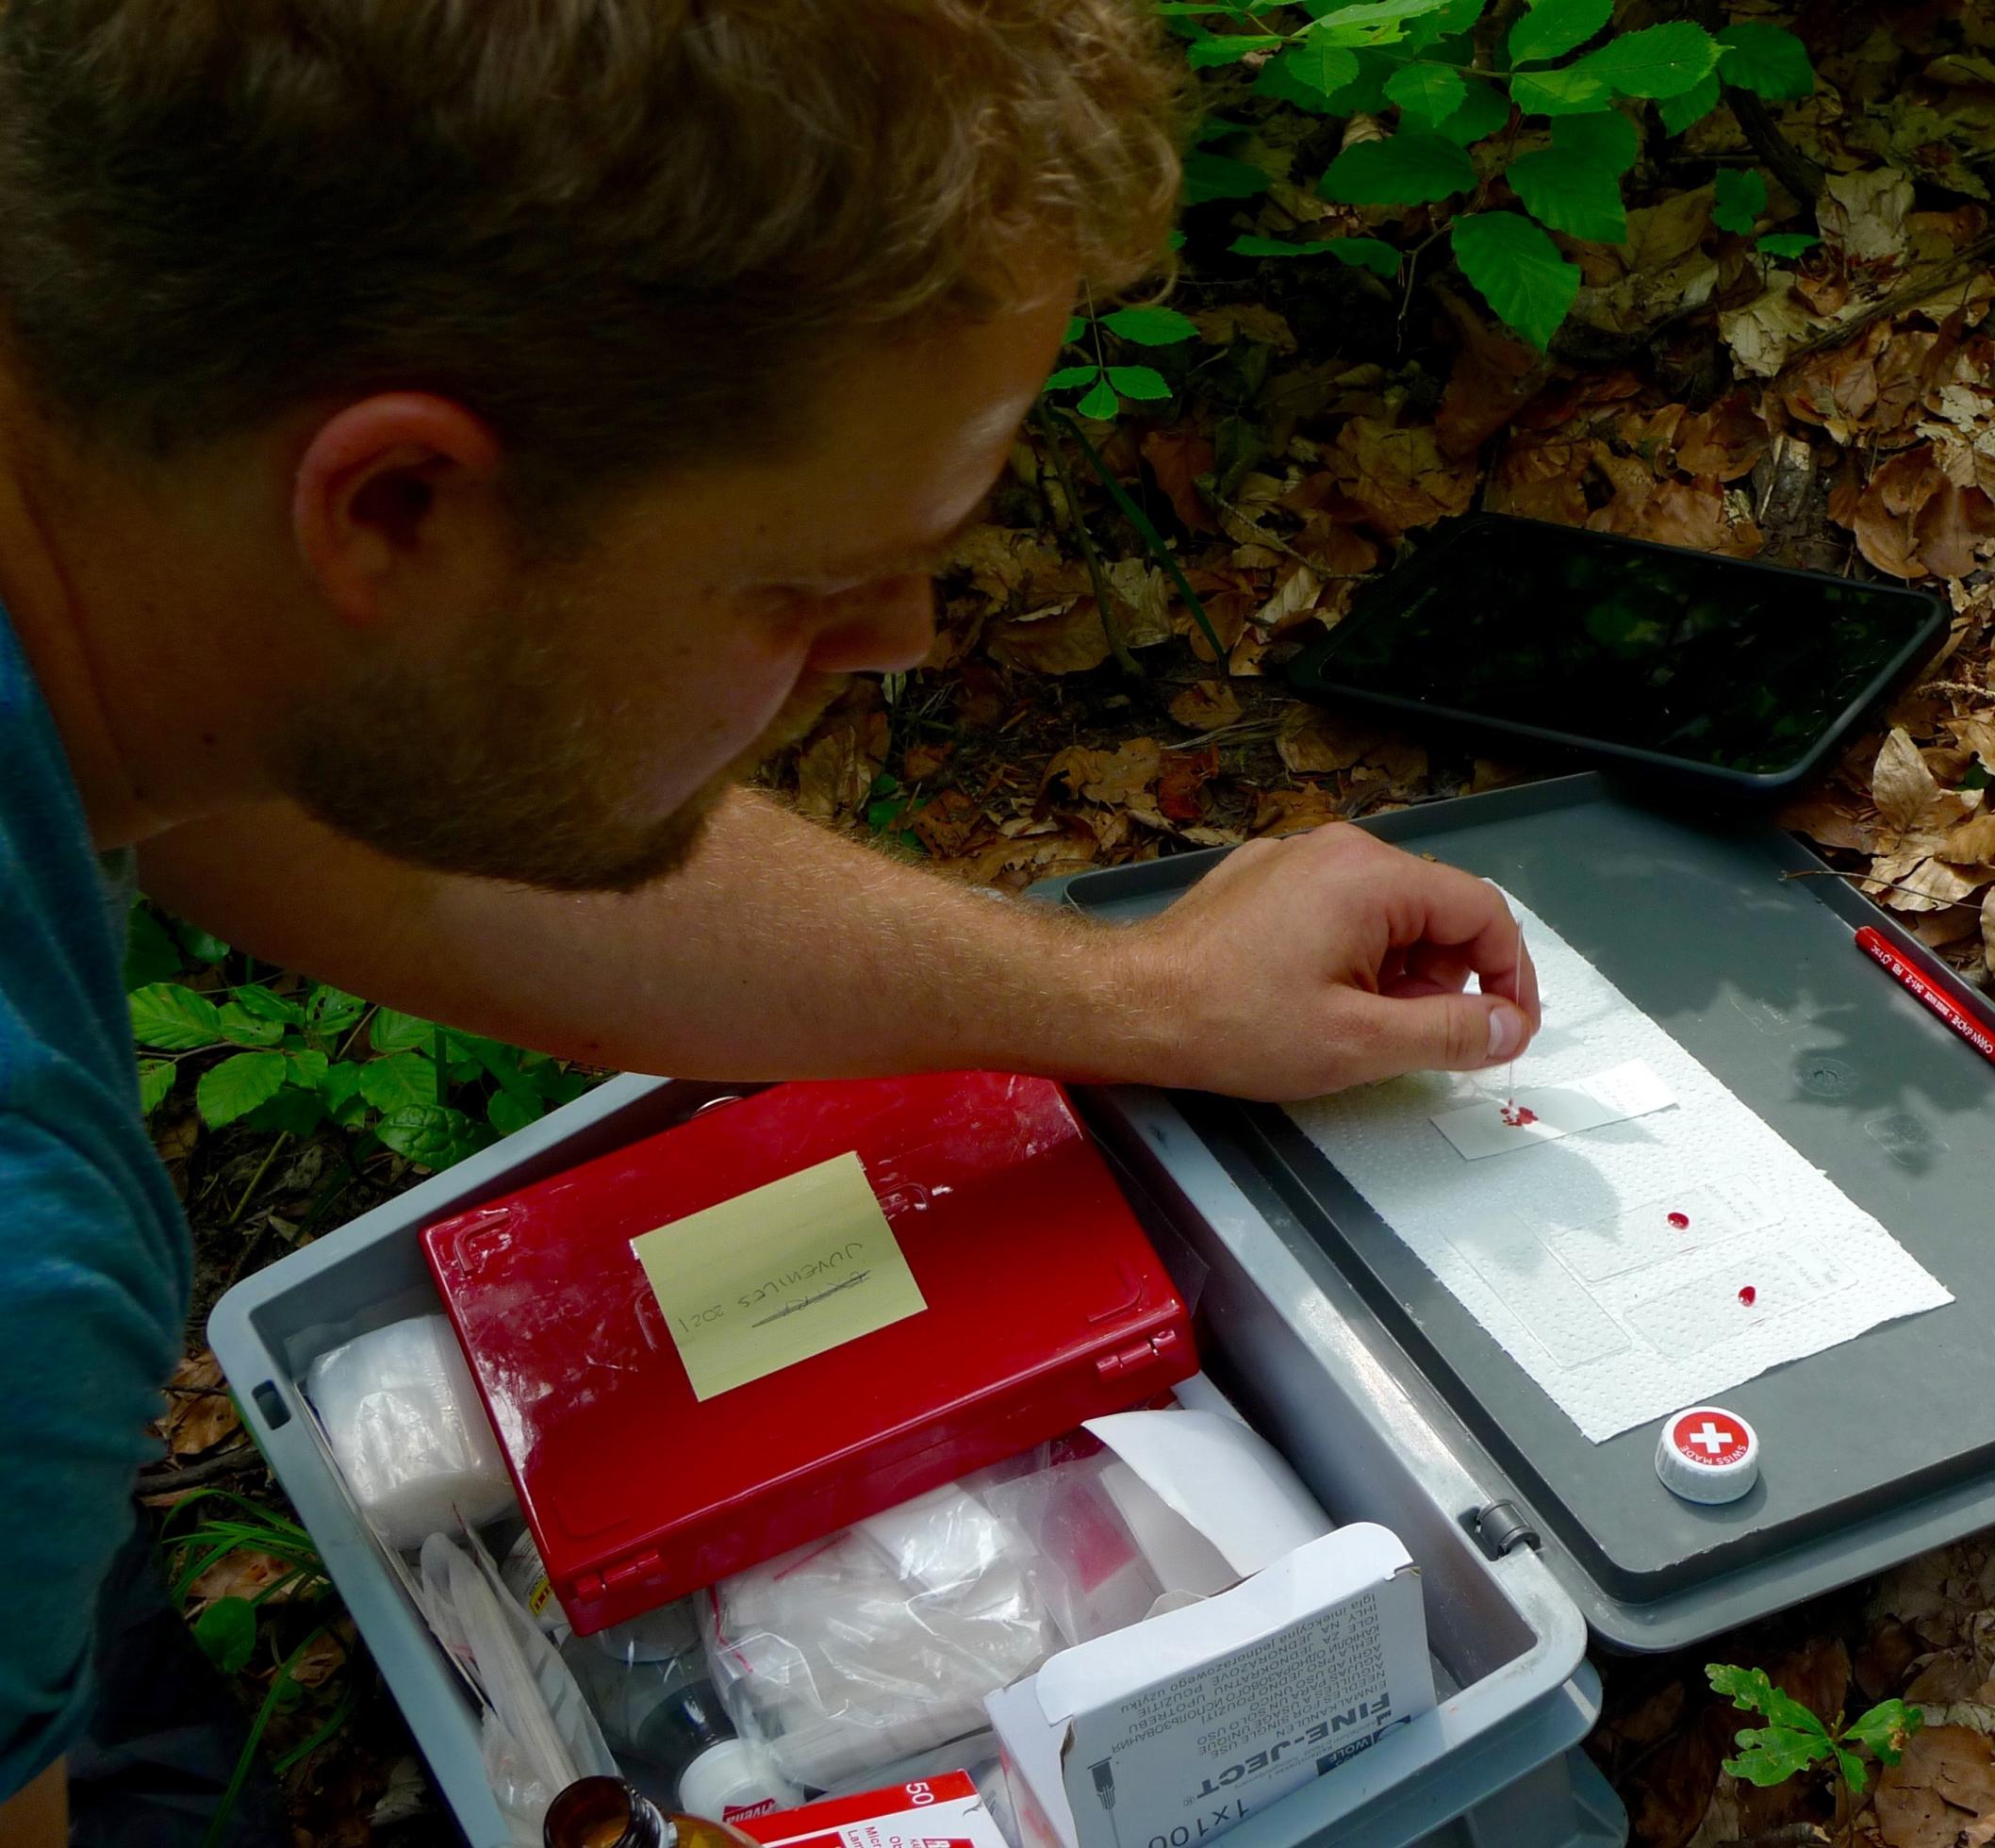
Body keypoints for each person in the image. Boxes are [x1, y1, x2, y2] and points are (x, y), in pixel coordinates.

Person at [0, 3, 1540, 1839]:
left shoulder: (126, 505)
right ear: (397, 508)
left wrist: (1143, 993)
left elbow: (351, 839)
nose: (898, 645)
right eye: (807, 584)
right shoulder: (18, 1268)